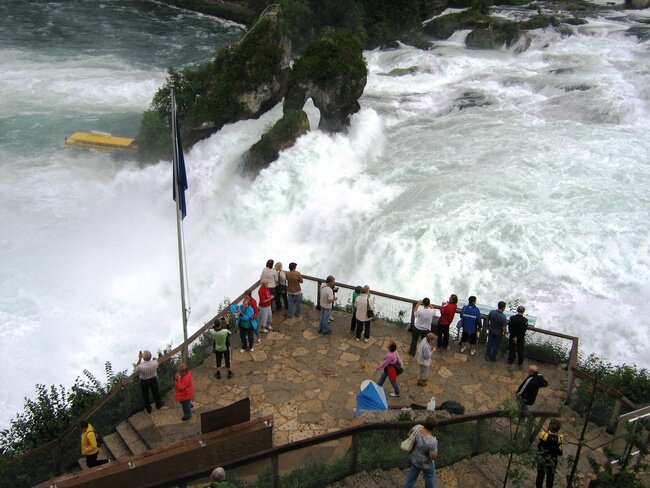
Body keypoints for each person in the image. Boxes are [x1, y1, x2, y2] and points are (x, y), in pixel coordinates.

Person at [403, 415, 438, 488]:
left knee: (411, 477)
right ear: (433, 428)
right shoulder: (432, 441)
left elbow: (410, 435)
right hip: (425, 463)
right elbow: (433, 456)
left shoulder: (417, 428)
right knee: (430, 476)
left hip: (414, 458)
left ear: (425, 422)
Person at [535, 419, 563, 488]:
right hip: (552, 461)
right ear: (558, 429)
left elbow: (541, 440)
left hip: (542, 459)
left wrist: (547, 431)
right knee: (550, 478)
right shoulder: (559, 438)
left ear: (549, 426)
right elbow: (560, 453)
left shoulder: (543, 434)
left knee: (540, 476)